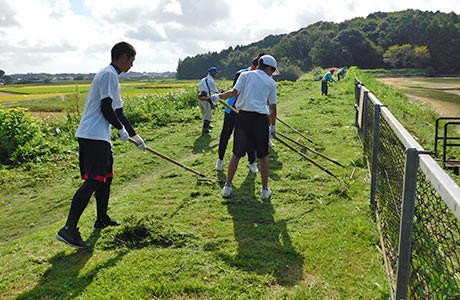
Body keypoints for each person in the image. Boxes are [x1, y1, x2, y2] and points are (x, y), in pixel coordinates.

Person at [56, 41, 146, 249]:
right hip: (92, 135)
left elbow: (119, 111)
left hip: (100, 136)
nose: (132, 65)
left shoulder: (113, 78)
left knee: (105, 178)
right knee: (94, 180)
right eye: (132, 60)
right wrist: (119, 129)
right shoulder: (107, 74)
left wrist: (135, 135)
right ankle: (68, 229)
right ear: (123, 57)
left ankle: (101, 218)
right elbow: (107, 108)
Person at [212, 55, 278, 200]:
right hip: (260, 120)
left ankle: (227, 187)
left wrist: (219, 96)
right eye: (272, 70)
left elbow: (233, 93)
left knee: (236, 153)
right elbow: (273, 107)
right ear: (268, 67)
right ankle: (265, 190)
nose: (272, 73)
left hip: (243, 118)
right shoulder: (271, 83)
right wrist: (273, 126)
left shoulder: (245, 75)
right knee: (263, 156)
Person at [215, 54, 265, 174]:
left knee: (249, 137)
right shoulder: (241, 74)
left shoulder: (259, 77)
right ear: (253, 66)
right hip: (232, 109)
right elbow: (236, 92)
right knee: (225, 134)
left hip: (245, 110)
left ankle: (252, 162)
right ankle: (220, 159)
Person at [198, 67, 219, 133]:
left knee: (204, 113)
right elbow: (215, 91)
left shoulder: (203, 79)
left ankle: (207, 125)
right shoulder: (211, 81)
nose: (216, 75)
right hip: (206, 99)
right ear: (213, 74)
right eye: (216, 73)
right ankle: (205, 129)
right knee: (208, 114)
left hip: (200, 98)